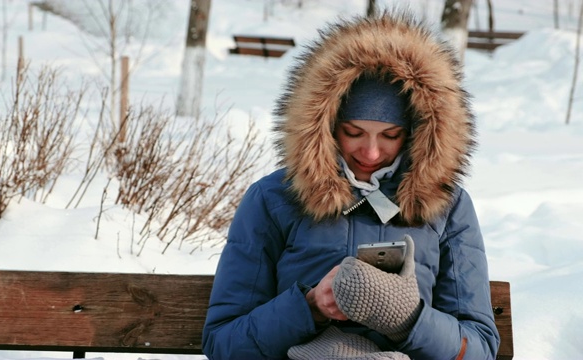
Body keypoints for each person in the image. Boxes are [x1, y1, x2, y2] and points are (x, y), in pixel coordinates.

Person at [202, 10, 500, 360]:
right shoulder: (273, 199)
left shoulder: (448, 207)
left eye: (390, 135)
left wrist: (410, 320)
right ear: (327, 125)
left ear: (417, 132)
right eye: (354, 132)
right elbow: (223, 343)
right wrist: (310, 307)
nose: (371, 151)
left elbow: (477, 349)